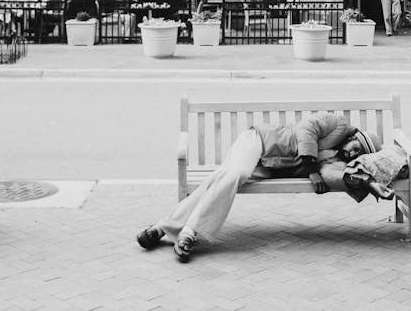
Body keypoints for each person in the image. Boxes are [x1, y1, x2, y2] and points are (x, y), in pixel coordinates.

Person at [136, 112, 380, 262]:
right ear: (354, 135)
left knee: (221, 179)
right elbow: (307, 129)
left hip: (269, 167)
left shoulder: (338, 159)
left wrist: (367, 181)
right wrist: (312, 170)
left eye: (359, 153)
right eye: (357, 144)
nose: (354, 151)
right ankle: (189, 233)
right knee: (237, 173)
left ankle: (161, 227)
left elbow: (331, 175)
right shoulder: (338, 123)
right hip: (259, 142)